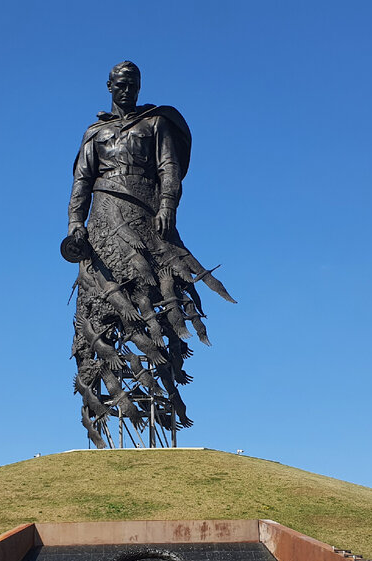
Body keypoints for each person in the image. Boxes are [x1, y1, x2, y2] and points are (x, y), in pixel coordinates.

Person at [67, 60, 235, 447]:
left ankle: (160, 384)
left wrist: (167, 207)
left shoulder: (155, 124)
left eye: (133, 84)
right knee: (103, 301)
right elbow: (81, 181)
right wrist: (75, 223)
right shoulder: (95, 133)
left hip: (145, 215)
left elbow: (169, 169)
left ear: (139, 87)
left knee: (151, 288)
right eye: (120, 84)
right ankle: (111, 397)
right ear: (109, 86)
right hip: (104, 218)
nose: (126, 90)